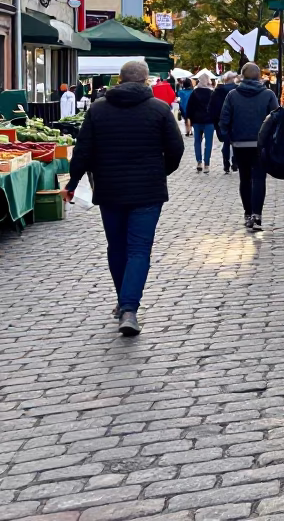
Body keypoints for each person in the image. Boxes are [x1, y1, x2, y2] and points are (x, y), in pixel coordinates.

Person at [63, 60, 183, 336]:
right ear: (145, 82)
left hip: (110, 189)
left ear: (119, 80)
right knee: (139, 249)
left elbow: (83, 150)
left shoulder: (98, 109)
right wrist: (161, 171)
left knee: (116, 247)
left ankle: (123, 302)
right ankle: (129, 308)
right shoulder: (159, 109)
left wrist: (72, 181)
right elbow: (175, 149)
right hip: (147, 191)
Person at [219, 62, 278, 231]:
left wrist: (226, 136)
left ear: (242, 76)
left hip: (239, 143)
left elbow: (224, 118)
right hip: (261, 144)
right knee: (259, 179)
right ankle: (257, 214)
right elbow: (276, 118)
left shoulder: (232, 95)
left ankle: (247, 213)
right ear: (259, 76)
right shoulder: (268, 94)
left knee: (245, 179)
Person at [208, 71, 239, 174]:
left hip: (222, 121)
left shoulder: (218, 91)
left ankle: (226, 164)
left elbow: (212, 108)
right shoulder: (238, 90)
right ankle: (235, 162)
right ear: (233, 78)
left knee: (226, 143)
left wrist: (215, 120)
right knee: (235, 142)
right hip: (236, 120)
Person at [186, 74, 215, 172]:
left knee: (197, 141)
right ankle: (207, 164)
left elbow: (189, 107)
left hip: (197, 120)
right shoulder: (211, 93)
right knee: (209, 143)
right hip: (209, 120)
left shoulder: (195, 92)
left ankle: (199, 161)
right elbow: (214, 108)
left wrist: (189, 118)